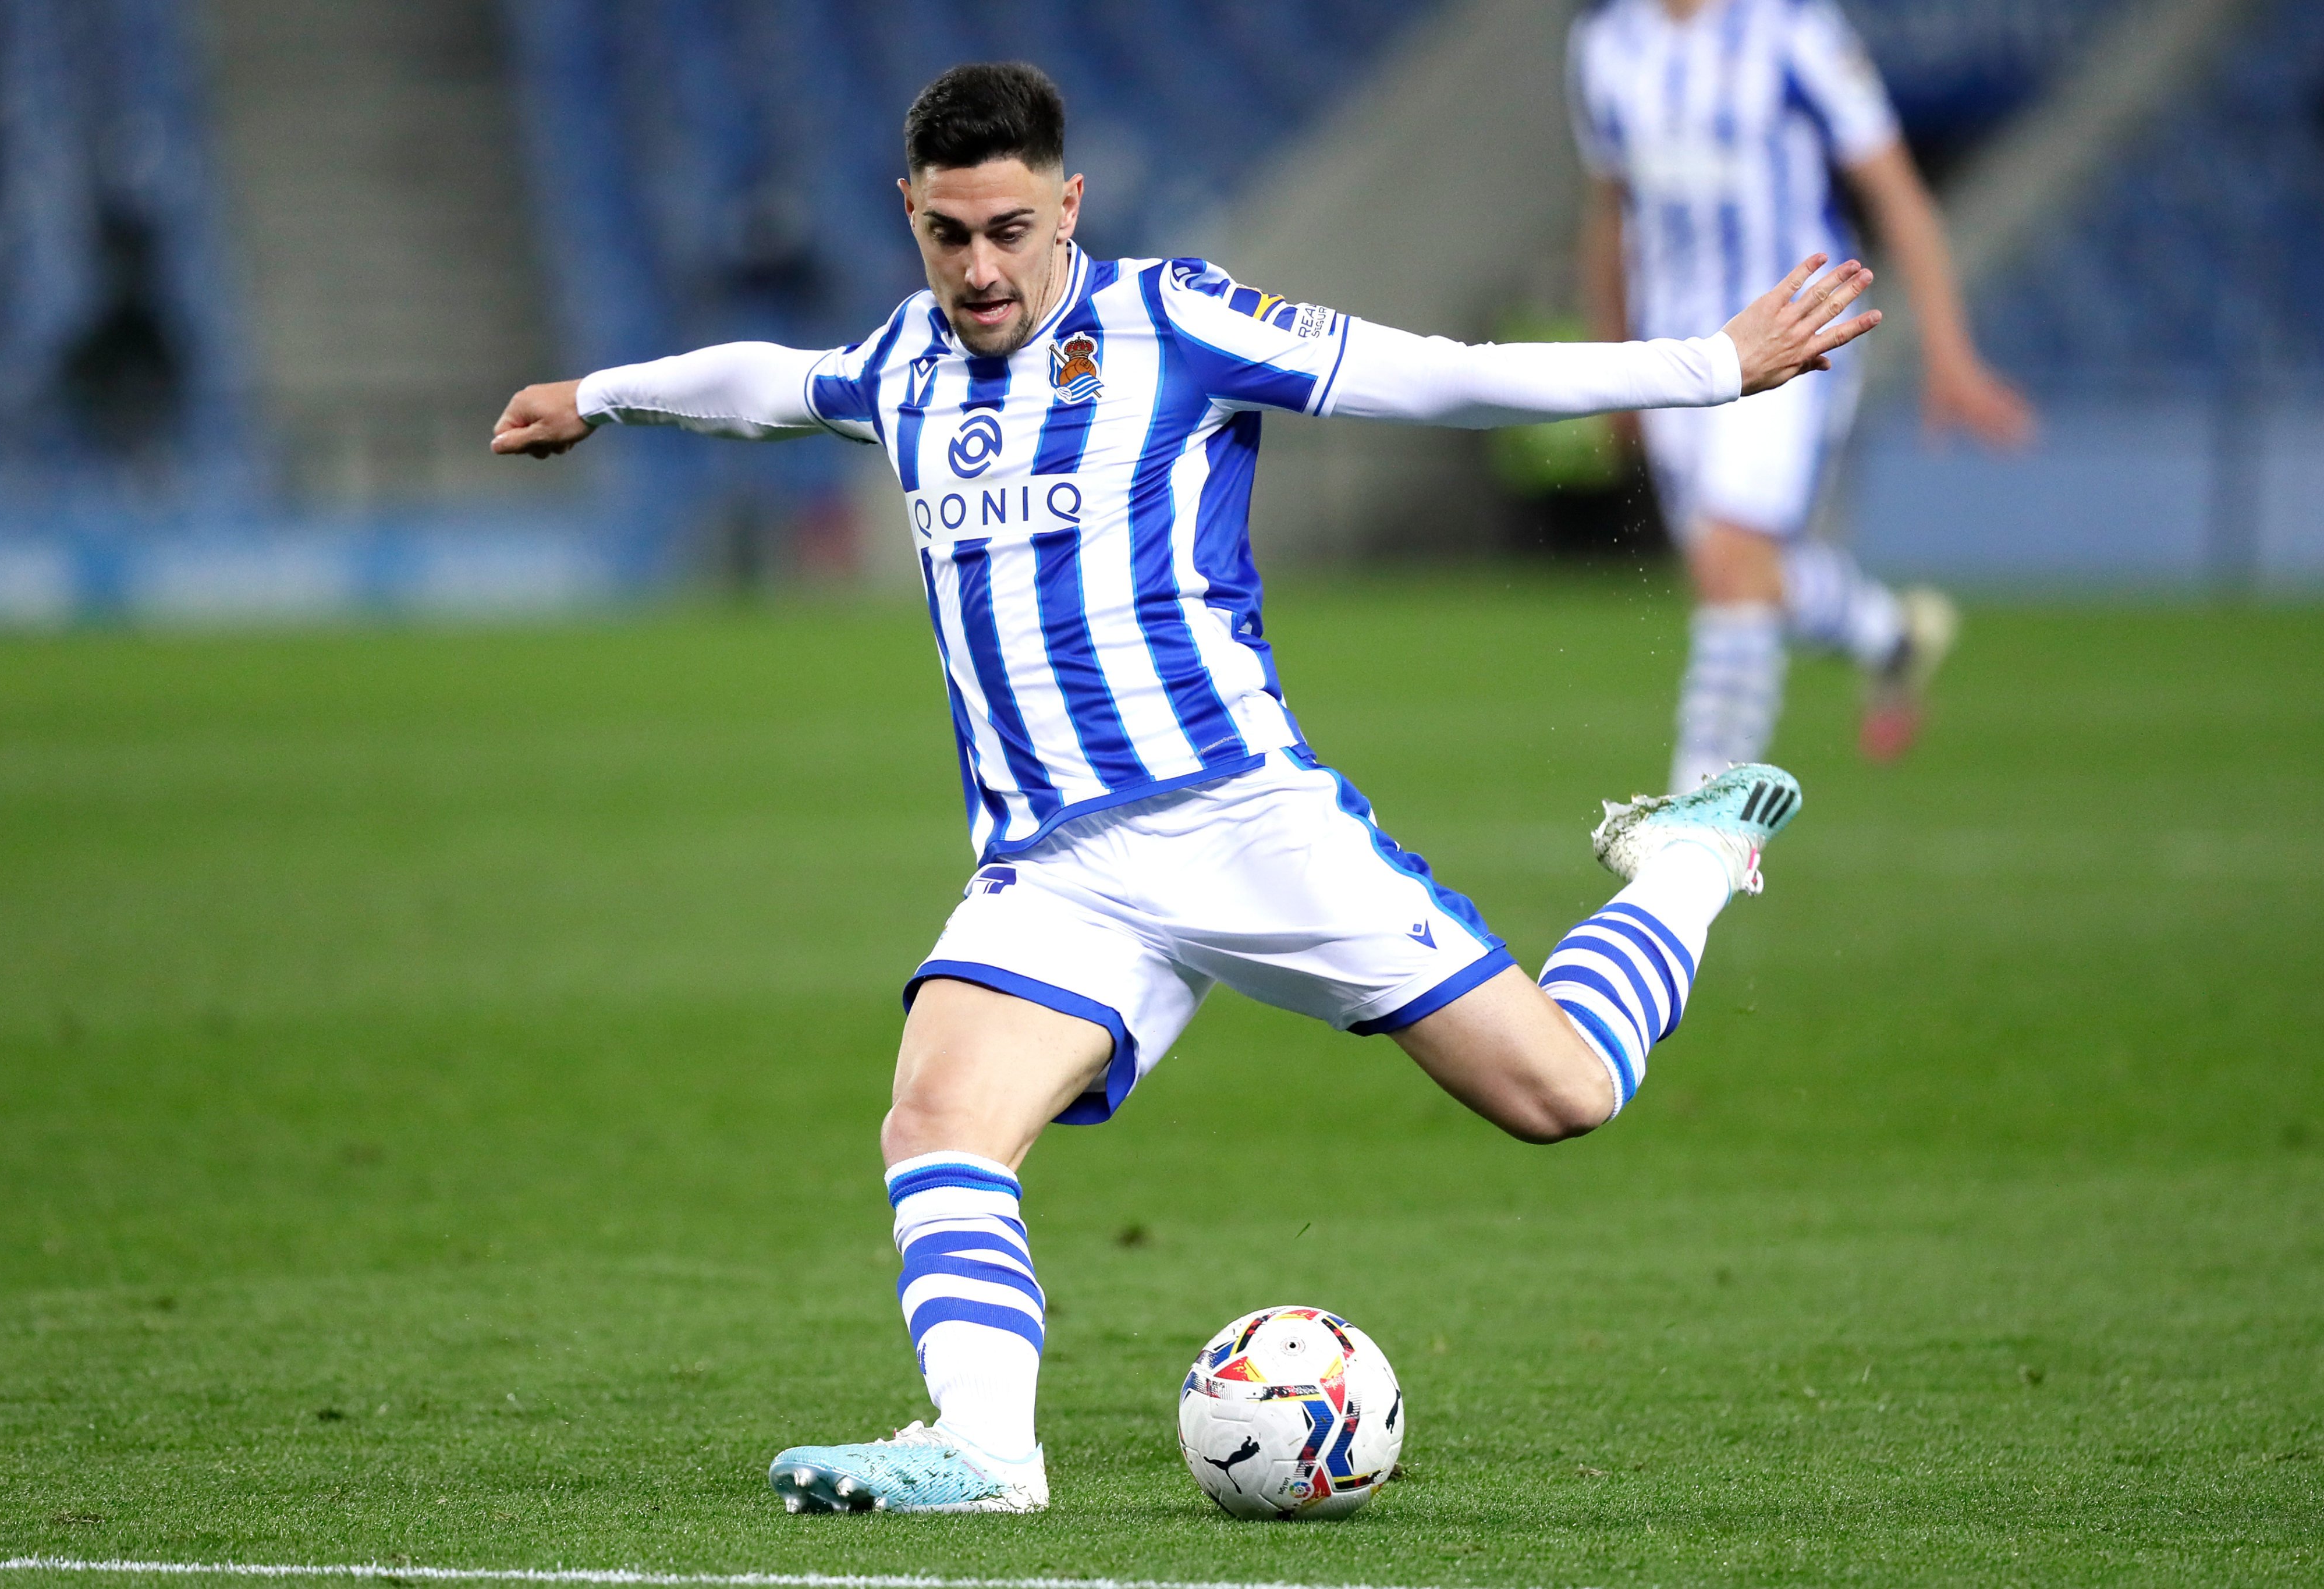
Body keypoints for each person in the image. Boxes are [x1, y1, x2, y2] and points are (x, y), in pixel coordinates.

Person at [493, 61, 1875, 1516]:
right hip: (1054, 868)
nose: (979, 268)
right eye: (949, 233)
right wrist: (601, 396)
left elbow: (1438, 371)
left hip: (1241, 824)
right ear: (909, 213)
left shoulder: (1174, 322)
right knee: (936, 1124)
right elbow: (773, 384)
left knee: (1561, 1093)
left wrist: (1707, 365)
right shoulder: (902, 364)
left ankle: (1684, 863)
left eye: (1010, 230)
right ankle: (984, 1451)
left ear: (1068, 205)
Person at [1570, 0, 2035, 792]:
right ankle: (1888, 634)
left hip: (1796, 336)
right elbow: (1611, 210)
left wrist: (1950, 351)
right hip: (1680, 352)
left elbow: (1895, 190)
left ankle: (1705, 810)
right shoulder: (1604, 46)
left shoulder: (1793, 32)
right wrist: (1615, 367)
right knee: (1741, 573)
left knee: (1730, 557)